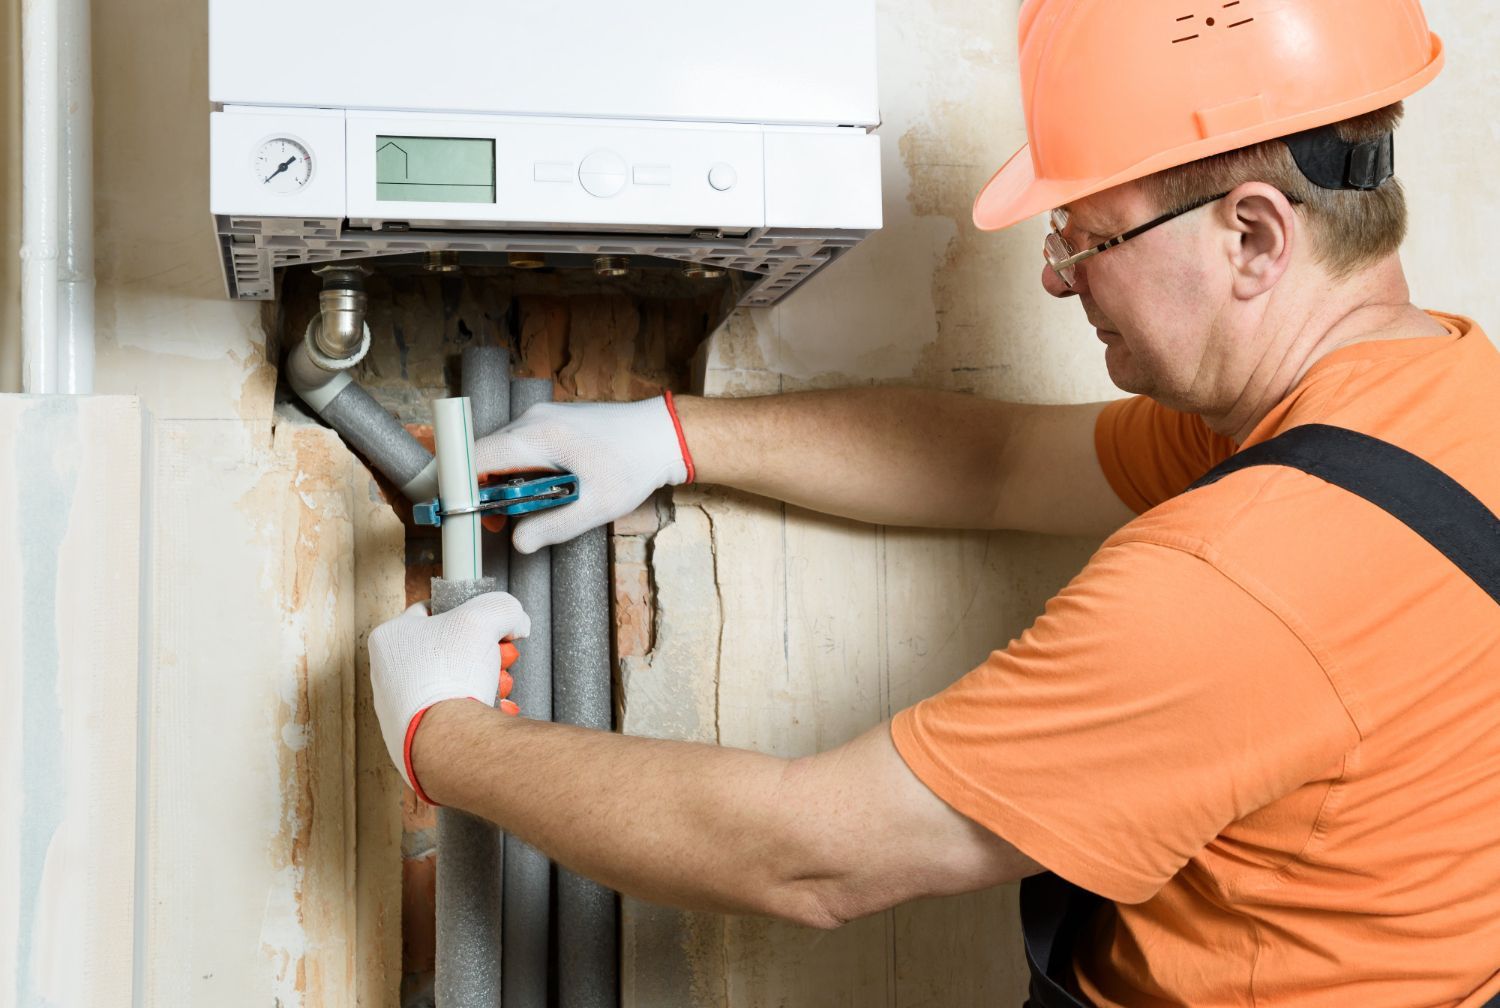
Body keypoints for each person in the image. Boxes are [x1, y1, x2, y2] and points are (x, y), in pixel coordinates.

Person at [369, 1, 1500, 1003]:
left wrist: (444, 738)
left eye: (1088, 236)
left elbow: (808, 856)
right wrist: (671, 436)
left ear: (1252, 235)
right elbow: (1000, 461)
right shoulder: (1432, 403)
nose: (1060, 277)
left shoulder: (1240, 583)